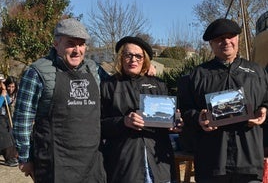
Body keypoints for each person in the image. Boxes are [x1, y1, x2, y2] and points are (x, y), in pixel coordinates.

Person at [12, 18, 106, 183]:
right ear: (56, 44)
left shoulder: (94, 69)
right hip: (54, 163)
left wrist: (145, 68)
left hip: (92, 163)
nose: (77, 50)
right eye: (70, 43)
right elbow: (23, 118)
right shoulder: (37, 72)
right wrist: (25, 158)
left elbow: (119, 85)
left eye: (81, 44)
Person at [188, 18, 268, 183]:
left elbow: (266, 100)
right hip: (212, 163)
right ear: (211, 43)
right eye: (219, 38)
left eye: (230, 36)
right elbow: (183, 111)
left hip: (249, 162)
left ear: (238, 38)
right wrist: (198, 118)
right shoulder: (197, 75)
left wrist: (264, 110)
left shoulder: (257, 72)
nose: (226, 41)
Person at [100, 36, 183, 183]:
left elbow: (167, 120)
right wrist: (123, 122)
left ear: (144, 59)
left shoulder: (158, 84)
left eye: (138, 56)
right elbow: (98, 125)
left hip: (159, 165)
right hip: (124, 165)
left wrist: (174, 123)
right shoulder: (108, 86)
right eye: (128, 55)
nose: (133, 60)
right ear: (121, 57)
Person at [0, 78, 18, 167]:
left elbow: (8, 101)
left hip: (4, 118)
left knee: (10, 132)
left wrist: (4, 93)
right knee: (4, 136)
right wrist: (2, 96)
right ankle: (9, 158)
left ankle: (14, 155)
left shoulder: (3, 92)